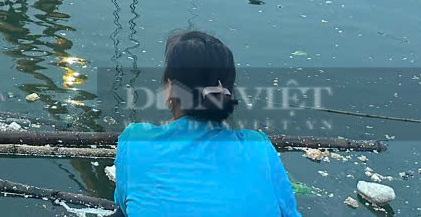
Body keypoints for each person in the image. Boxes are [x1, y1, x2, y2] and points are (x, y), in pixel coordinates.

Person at [112, 31, 301, 217]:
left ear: (170, 88)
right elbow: (290, 213)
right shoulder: (259, 146)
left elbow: (125, 203)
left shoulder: (135, 140)